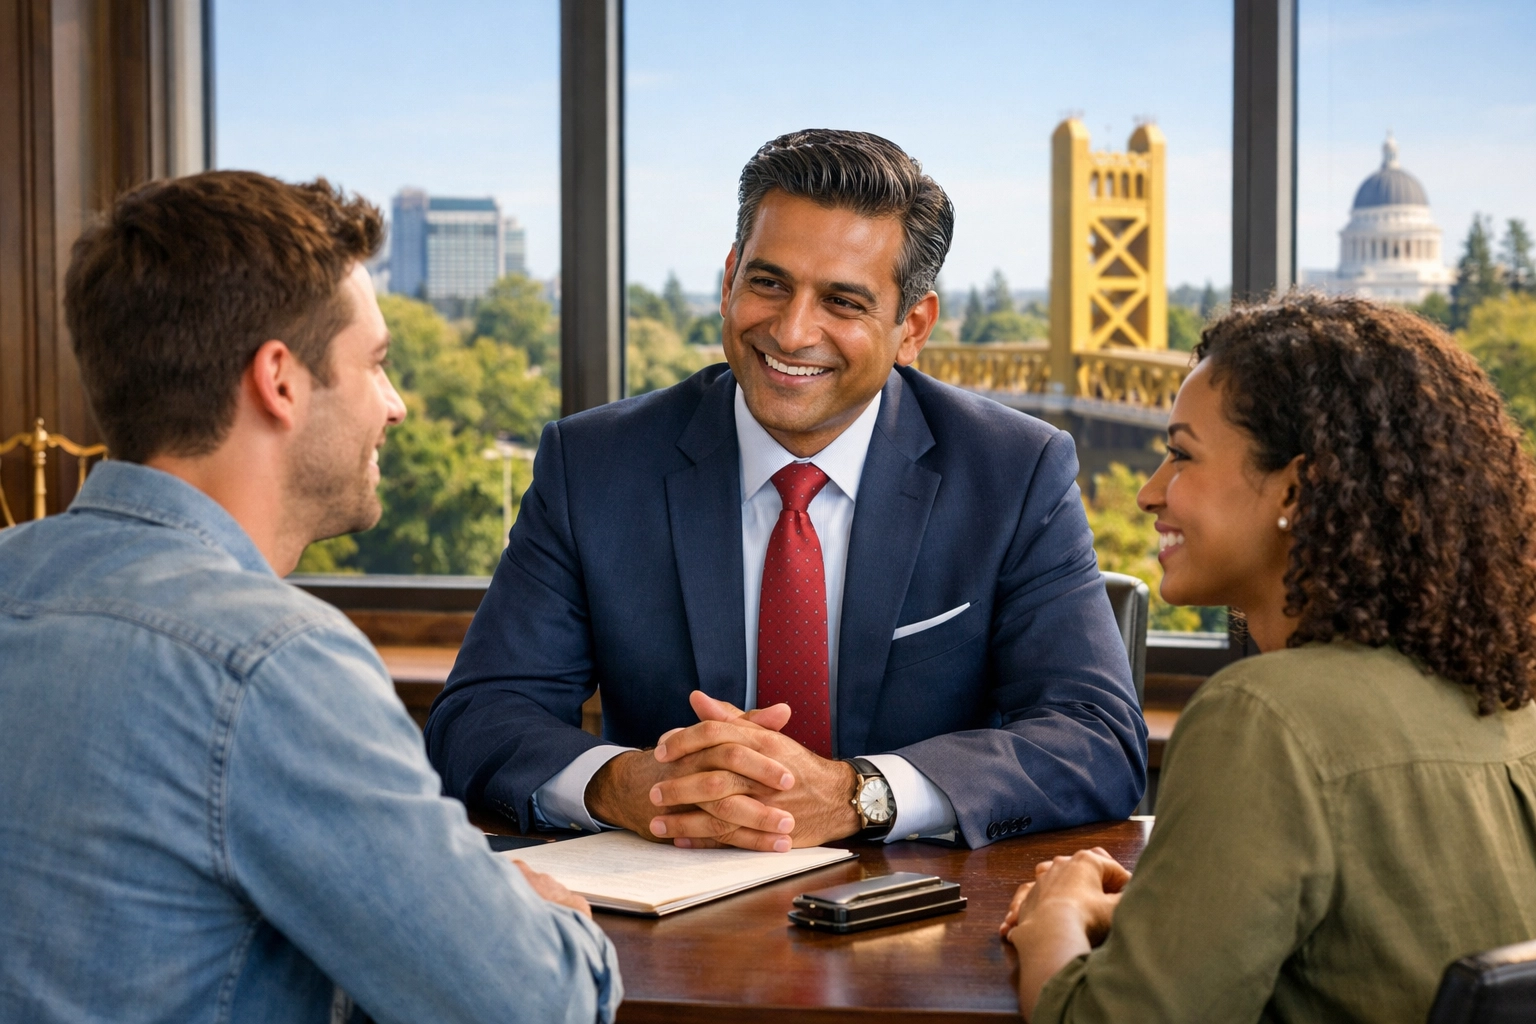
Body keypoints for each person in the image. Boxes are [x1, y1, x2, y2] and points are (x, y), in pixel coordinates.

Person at [0, 172, 620, 1023]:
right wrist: (536, 920)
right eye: (376, 364)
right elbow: (537, 1003)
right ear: (280, 381)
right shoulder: (271, 663)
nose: (395, 407)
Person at [426, 129, 1146, 853]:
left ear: (913, 327)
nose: (793, 331)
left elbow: (1096, 737)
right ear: (730, 279)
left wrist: (859, 795)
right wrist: (627, 785)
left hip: (918, 922)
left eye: (842, 301)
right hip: (663, 910)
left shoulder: (1014, 471)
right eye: (768, 283)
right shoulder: (594, 465)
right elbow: (481, 716)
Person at [1000, 294, 1536, 1023]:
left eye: (1182, 455)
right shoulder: (1504, 702)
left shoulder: (1266, 717)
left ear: (1295, 487)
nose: (1149, 494)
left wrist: (1054, 918)